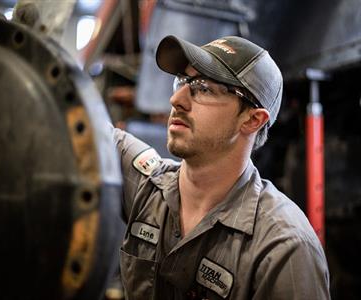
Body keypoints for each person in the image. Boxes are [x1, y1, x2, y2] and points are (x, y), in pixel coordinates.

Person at [113, 35, 330, 299]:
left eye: (203, 88)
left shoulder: (284, 249)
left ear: (252, 120)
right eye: (182, 81)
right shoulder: (147, 189)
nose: (177, 100)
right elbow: (79, 124)